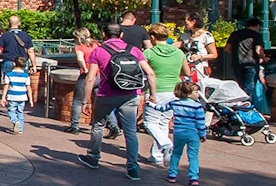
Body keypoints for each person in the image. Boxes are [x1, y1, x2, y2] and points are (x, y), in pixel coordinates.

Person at [78, 23, 157, 181]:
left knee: (98, 126)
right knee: (130, 131)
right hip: (130, 95)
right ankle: (133, 168)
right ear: (121, 35)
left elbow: (91, 77)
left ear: (104, 34)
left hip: (106, 95)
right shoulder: (134, 50)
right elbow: (150, 73)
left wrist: (85, 100)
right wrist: (152, 94)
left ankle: (93, 157)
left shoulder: (98, 51)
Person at [143, 23, 189, 168]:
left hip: (156, 90)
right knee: (163, 122)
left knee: (150, 122)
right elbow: (186, 72)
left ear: (152, 37)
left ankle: (166, 144)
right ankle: (157, 156)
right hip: (175, 90)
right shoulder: (179, 53)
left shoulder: (149, 53)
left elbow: (143, 70)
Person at [150, 80, 208, 186]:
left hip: (179, 132)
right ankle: (193, 178)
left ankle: (172, 175)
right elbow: (200, 123)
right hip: (193, 133)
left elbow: (161, 108)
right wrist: (203, 134)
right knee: (193, 156)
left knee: (176, 153)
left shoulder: (175, 103)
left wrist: (151, 104)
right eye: (196, 92)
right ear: (189, 94)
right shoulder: (197, 106)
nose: (198, 94)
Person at [66, 27, 117, 135]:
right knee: (103, 103)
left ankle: (74, 126)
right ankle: (114, 126)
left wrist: (84, 68)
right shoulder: (98, 45)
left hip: (87, 76)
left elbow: (80, 58)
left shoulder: (80, 47)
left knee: (78, 101)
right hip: (100, 76)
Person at [0, 15, 37, 104]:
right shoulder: (26, 36)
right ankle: (21, 102)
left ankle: (11, 102)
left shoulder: (5, 36)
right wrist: (34, 65)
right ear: (19, 23)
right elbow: (30, 51)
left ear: (8, 24)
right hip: (22, 62)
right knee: (22, 83)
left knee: (9, 83)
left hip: (8, 61)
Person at [226, 18, 266, 101]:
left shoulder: (235, 34)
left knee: (240, 85)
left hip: (237, 63)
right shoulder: (256, 35)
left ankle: (239, 105)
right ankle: (246, 106)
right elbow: (258, 50)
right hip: (251, 64)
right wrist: (264, 58)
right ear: (258, 26)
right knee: (249, 87)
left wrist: (235, 53)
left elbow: (227, 49)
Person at [175, 11, 218, 81]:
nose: (184, 24)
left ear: (193, 21)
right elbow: (177, 45)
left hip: (200, 69)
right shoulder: (185, 35)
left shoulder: (206, 36)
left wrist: (200, 57)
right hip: (187, 68)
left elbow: (214, 54)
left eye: (186, 22)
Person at [4, 57, 30, 134]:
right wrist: (31, 99)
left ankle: (15, 121)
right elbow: (28, 87)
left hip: (12, 96)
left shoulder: (9, 75)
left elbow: (6, 86)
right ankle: (20, 129)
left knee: (11, 111)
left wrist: (3, 97)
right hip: (22, 97)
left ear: (14, 64)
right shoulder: (26, 76)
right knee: (20, 112)